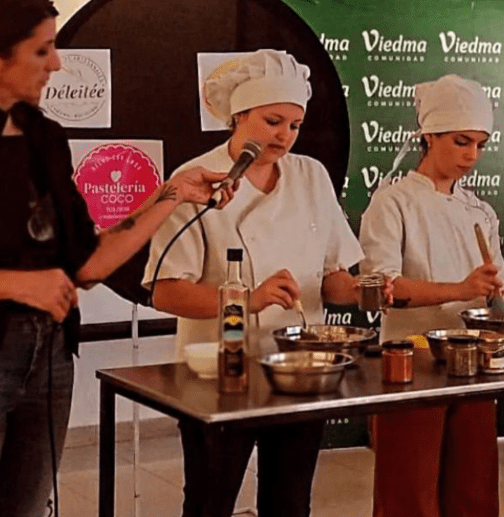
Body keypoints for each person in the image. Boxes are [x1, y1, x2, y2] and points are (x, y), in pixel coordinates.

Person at [0, 1, 233, 515]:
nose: (57, 63)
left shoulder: (46, 140)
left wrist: (173, 193)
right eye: (42, 50)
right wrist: (14, 283)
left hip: (50, 361)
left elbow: (87, 263)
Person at [143, 49, 365, 517]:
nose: (285, 136)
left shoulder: (311, 176)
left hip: (299, 370)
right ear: (238, 116)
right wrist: (248, 299)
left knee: (290, 502)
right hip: (217, 375)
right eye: (272, 121)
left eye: (295, 125)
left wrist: (368, 292)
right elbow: (166, 291)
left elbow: (332, 279)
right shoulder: (195, 180)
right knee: (210, 501)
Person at [359, 74, 504, 517]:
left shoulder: (480, 211)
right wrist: (460, 289)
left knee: (474, 493)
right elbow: (383, 288)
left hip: (473, 362)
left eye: (480, 144)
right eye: (461, 142)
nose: (471, 155)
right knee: (409, 497)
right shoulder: (392, 203)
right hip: (411, 364)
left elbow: (495, 290)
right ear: (428, 135)